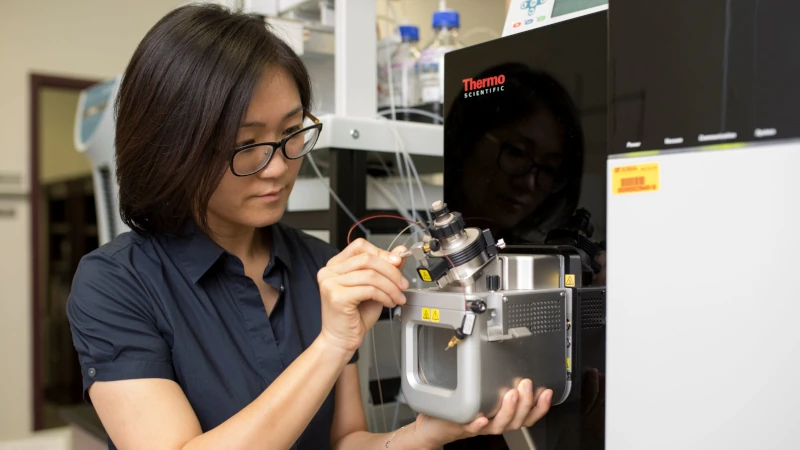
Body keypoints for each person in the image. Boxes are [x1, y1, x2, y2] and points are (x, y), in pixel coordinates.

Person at [65, 5, 552, 450]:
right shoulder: (116, 284)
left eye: (291, 132)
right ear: (174, 146)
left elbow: (344, 443)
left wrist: (425, 433)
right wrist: (331, 344)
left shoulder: (318, 265)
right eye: (246, 144)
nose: (277, 167)